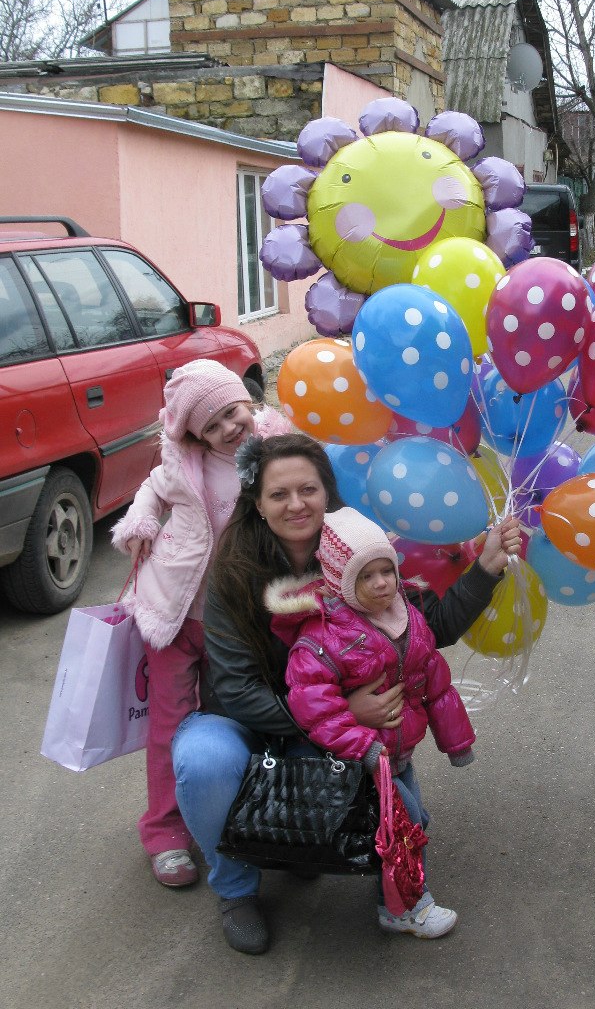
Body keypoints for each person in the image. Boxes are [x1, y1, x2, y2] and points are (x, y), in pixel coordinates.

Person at [172, 432, 522, 954]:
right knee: (202, 760)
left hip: (336, 728)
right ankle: (236, 889)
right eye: (278, 494)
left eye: (308, 489)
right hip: (251, 720)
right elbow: (236, 689)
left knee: (395, 811)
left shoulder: (360, 551)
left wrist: (486, 567)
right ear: (258, 504)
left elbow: (428, 630)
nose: (296, 504)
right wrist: (342, 713)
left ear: (327, 492)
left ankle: (320, 858)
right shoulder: (234, 570)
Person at [111, 359, 291, 888]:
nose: (229, 429)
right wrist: (141, 521)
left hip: (238, 620)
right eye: (212, 426)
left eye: (232, 413)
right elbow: (152, 488)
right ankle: (164, 832)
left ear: (247, 400)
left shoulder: (277, 444)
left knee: (232, 717)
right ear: (196, 435)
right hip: (176, 613)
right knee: (170, 723)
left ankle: (240, 813)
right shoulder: (185, 461)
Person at [268, 505, 478, 939]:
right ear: (341, 581)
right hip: (362, 760)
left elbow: (434, 679)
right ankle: (407, 907)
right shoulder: (324, 636)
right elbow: (315, 707)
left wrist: (456, 740)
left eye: (387, 570)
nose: (382, 583)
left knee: (411, 822)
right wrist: (362, 748)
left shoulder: (405, 614)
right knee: (405, 826)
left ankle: (391, 898)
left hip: (400, 752)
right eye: (366, 576)